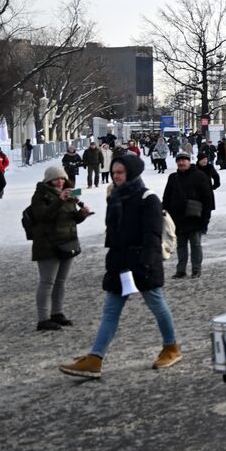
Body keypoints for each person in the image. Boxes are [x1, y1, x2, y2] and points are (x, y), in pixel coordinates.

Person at [59, 154, 181, 379]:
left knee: (156, 303)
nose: (115, 176)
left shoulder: (148, 198)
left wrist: (145, 264)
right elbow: (113, 234)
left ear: (132, 173)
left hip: (143, 263)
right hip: (120, 264)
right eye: (114, 172)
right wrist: (113, 260)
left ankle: (171, 347)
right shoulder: (115, 198)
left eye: (120, 172)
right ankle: (95, 359)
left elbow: (152, 236)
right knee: (111, 311)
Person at [29, 165, 93, 331]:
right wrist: (60, 200)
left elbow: (70, 218)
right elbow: (43, 216)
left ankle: (57, 313)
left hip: (67, 242)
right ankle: (43, 319)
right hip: (48, 244)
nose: (60, 181)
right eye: (56, 179)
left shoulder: (69, 194)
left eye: (62, 178)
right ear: (48, 180)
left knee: (61, 281)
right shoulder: (40, 195)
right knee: (47, 281)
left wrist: (82, 214)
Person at [162, 152, 214, 278]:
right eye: (179, 161)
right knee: (181, 245)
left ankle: (196, 269)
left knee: (195, 245)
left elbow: (208, 198)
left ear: (189, 161)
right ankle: (181, 270)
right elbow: (167, 197)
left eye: (184, 160)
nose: (181, 163)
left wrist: (206, 218)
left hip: (195, 218)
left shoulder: (200, 176)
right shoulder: (173, 178)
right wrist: (165, 212)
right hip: (177, 219)